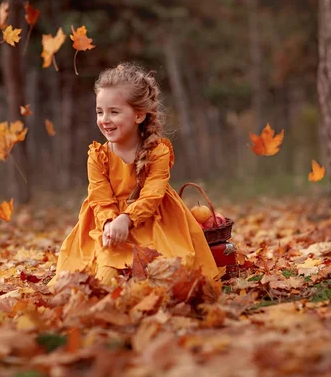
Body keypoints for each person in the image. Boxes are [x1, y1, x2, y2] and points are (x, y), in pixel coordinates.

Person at [48, 62, 219, 285]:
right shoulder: (98, 155)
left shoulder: (158, 151)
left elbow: (152, 196)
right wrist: (111, 222)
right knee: (102, 278)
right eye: (100, 112)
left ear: (138, 116)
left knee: (168, 277)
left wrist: (127, 219)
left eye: (114, 112)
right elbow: (99, 198)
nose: (104, 119)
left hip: (154, 223)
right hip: (108, 226)